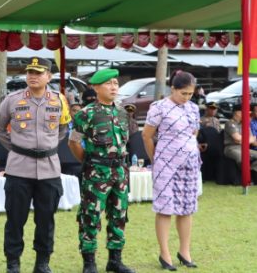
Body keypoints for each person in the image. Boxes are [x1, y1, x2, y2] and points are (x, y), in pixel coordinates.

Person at [0, 57, 71, 273]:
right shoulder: (12, 100)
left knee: (46, 220)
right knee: (15, 220)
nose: (33, 76)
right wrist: (18, 148)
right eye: (30, 72)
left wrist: (49, 147)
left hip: (49, 170)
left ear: (49, 76)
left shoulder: (59, 100)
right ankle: (13, 263)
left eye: (38, 73)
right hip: (19, 168)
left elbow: (64, 128)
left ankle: (42, 263)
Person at [68, 68, 134, 273]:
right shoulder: (85, 114)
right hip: (96, 173)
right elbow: (73, 142)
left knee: (119, 215)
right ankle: (89, 263)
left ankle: (115, 260)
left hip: (120, 173)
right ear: (96, 87)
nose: (114, 87)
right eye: (108, 83)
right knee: (90, 215)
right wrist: (90, 162)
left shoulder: (123, 112)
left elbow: (125, 143)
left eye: (115, 83)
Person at [141, 70, 201, 271]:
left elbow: (194, 133)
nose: (186, 98)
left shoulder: (193, 108)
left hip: (190, 164)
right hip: (165, 164)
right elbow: (147, 136)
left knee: (187, 208)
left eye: (190, 94)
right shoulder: (159, 107)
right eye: (183, 93)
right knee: (165, 208)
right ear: (173, 88)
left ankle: (185, 251)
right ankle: (165, 254)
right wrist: (155, 159)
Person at [223, 104, 257, 174]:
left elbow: (253, 139)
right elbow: (237, 138)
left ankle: (252, 171)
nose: (246, 115)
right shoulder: (230, 123)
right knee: (242, 158)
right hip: (231, 148)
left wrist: (242, 141)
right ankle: (245, 175)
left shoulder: (244, 124)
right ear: (237, 113)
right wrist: (247, 140)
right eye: (244, 112)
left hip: (243, 147)